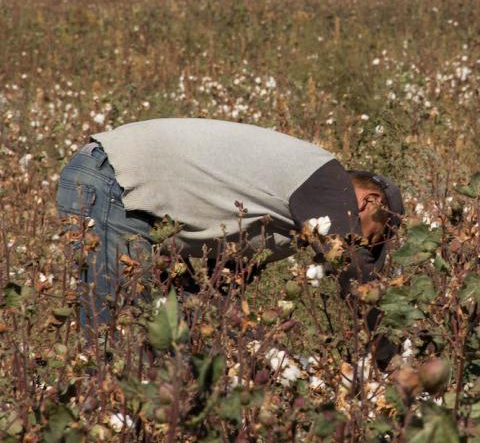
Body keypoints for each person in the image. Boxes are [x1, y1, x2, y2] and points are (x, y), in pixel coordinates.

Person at [57, 118, 404, 326]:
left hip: (126, 196)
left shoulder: (291, 218)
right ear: (368, 203)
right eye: (374, 237)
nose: (365, 245)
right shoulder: (330, 183)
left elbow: (221, 289)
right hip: (113, 181)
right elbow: (352, 269)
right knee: (113, 333)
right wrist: (391, 358)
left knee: (174, 338)